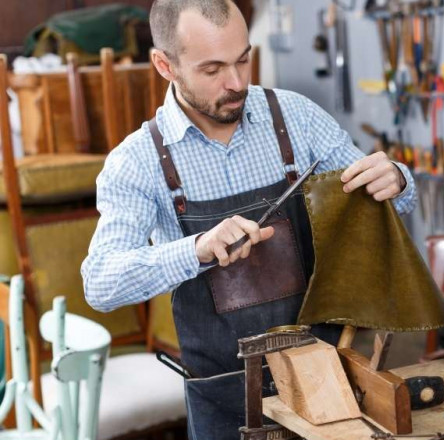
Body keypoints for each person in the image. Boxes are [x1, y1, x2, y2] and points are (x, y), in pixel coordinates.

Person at [80, 0, 416, 438]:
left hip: (326, 383)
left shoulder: (296, 117)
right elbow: (100, 284)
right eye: (212, 69)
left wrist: (397, 180)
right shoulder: (138, 161)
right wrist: (196, 250)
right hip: (225, 397)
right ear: (165, 66)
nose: (237, 82)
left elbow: (392, 202)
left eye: (243, 59)